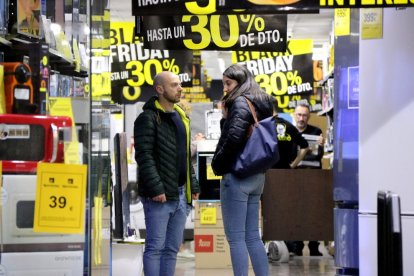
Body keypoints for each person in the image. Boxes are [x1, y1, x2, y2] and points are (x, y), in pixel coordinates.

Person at [133, 71, 200, 275]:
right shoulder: (148, 118)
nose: (180, 88)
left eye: (179, 84)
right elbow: (144, 156)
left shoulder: (180, 117)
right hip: (159, 196)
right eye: (174, 85)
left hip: (180, 194)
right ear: (160, 89)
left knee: (171, 249)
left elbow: (184, 155)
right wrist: (156, 188)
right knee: (155, 248)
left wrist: (193, 184)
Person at [211, 64, 272, 276]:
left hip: (237, 175)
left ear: (240, 81)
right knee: (252, 236)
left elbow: (233, 138)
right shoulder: (263, 100)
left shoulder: (239, 101)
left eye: (228, 83)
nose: (225, 88)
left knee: (235, 238)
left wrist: (216, 164)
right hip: (257, 174)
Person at [290, 103, 325, 256]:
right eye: (299, 115)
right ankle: (296, 246)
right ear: (294, 115)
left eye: (304, 115)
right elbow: (288, 155)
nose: (301, 118)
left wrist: (298, 158)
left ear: (309, 116)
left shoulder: (316, 132)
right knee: (295, 211)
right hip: (294, 178)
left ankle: (313, 246)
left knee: (314, 212)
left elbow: (318, 156)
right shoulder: (288, 132)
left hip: (313, 177)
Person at [270, 97, 309, 169]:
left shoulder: (263, 127)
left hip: (266, 172)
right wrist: (292, 166)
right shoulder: (290, 127)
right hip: (285, 172)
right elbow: (305, 146)